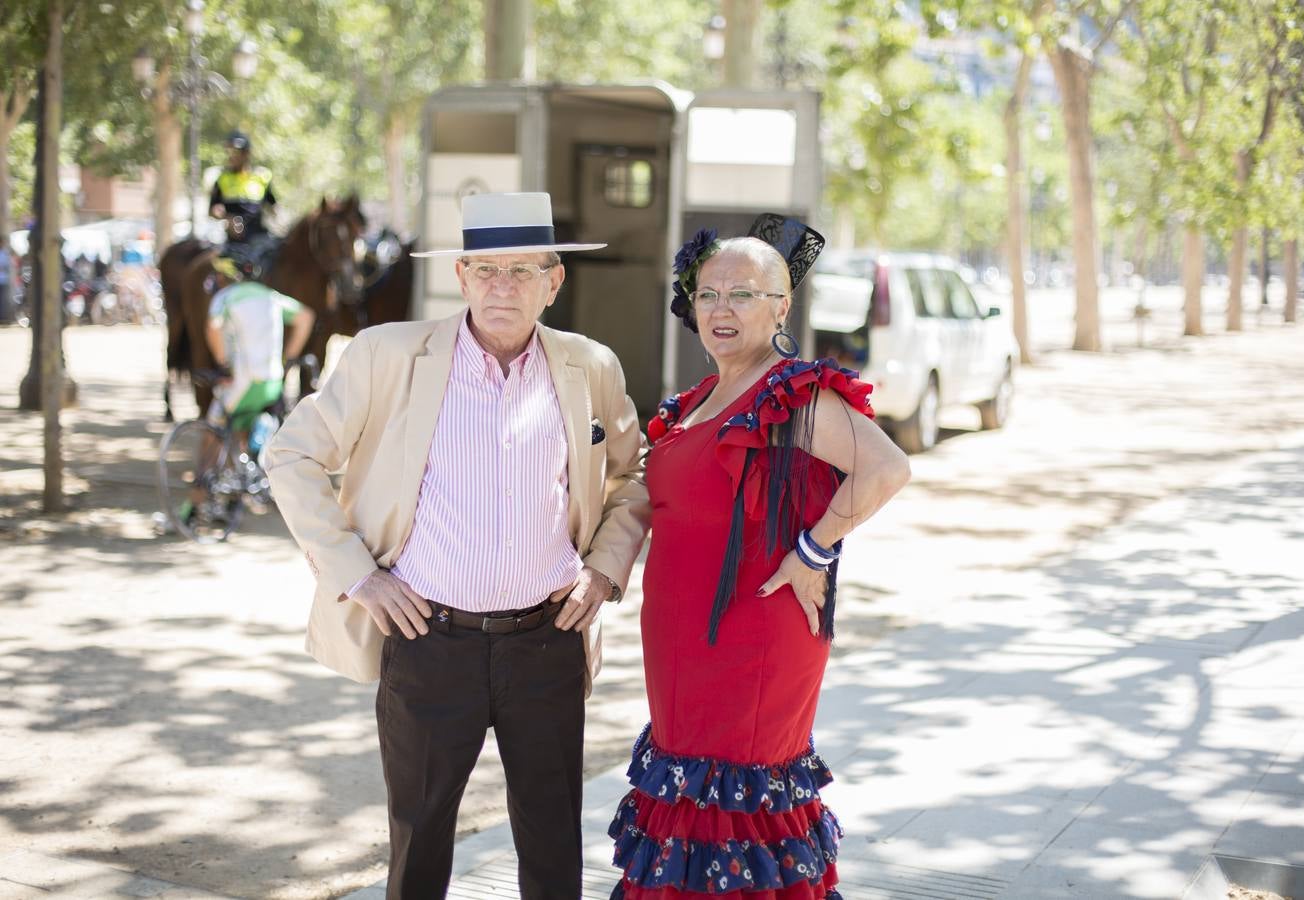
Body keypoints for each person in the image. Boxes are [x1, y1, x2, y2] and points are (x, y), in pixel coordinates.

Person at [262, 192, 650, 900]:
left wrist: (604, 569)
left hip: (548, 642)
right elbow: (290, 455)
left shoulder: (589, 366)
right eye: (487, 271)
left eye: (523, 271)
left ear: (553, 281)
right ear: (462, 276)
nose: (503, 288)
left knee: (553, 838)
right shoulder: (387, 354)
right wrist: (357, 575)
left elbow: (635, 472)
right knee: (420, 839)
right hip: (429, 642)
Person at [607, 217, 911, 899]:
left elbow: (886, 469)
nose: (721, 308)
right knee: (690, 789)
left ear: (782, 306)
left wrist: (813, 550)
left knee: (738, 797)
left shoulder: (793, 394)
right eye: (708, 293)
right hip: (683, 645)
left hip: (755, 639)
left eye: (743, 294)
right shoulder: (693, 403)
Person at [204, 253, 314, 446]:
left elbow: (213, 327)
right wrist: (288, 359)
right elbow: (306, 317)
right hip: (273, 381)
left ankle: (209, 471)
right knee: (252, 438)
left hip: (245, 382)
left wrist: (223, 364)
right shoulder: (270, 296)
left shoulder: (225, 297)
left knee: (214, 428)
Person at [209, 130, 278, 269]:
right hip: (234, 242)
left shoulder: (262, 177)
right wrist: (227, 218)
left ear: (247, 153)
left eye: (235, 151)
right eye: (229, 151)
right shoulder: (222, 179)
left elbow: (273, 206)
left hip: (260, 239)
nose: (231, 156)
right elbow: (213, 210)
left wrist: (279, 220)